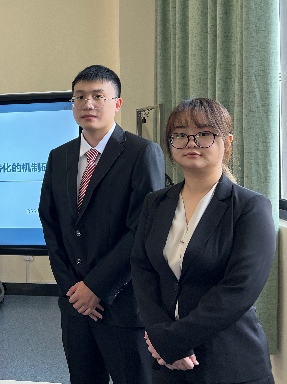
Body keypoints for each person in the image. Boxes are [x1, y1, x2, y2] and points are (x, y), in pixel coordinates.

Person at [131, 98, 275, 384]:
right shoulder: (155, 203)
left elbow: (240, 288)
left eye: (204, 133)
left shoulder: (250, 207)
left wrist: (172, 341)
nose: (191, 142)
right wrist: (160, 335)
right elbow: (142, 270)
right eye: (180, 134)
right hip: (168, 365)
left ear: (227, 141)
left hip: (230, 363)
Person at [39, 65, 165, 384]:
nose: (88, 104)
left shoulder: (141, 153)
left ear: (117, 103)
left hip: (122, 305)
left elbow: (142, 230)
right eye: (80, 97)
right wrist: (73, 289)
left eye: (98, 96)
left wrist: (96, 288)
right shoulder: (59, 157)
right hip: (76, 306)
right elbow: (51, 225)